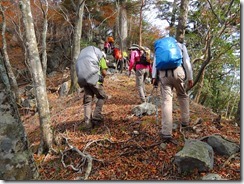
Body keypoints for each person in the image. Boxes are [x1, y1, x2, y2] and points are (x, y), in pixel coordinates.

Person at [152, 40, 193, 143]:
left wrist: (154, 77)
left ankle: (166, 132)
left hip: (163, 75)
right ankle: (185, 121)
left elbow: (155, 63)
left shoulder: (160, 47)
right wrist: (190, 77)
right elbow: (187, 62)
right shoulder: (180, 46)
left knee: (166, 101)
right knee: (182, 96)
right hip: (178, 72)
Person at [76, 46, 108, 129]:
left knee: (88, 101)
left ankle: (87, 123)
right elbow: (104, 72)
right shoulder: (100, 55)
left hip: (83, 80)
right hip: (94, 80)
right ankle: (96, 117)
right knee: (102, 96)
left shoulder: (82, 57)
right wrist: (102, 77)